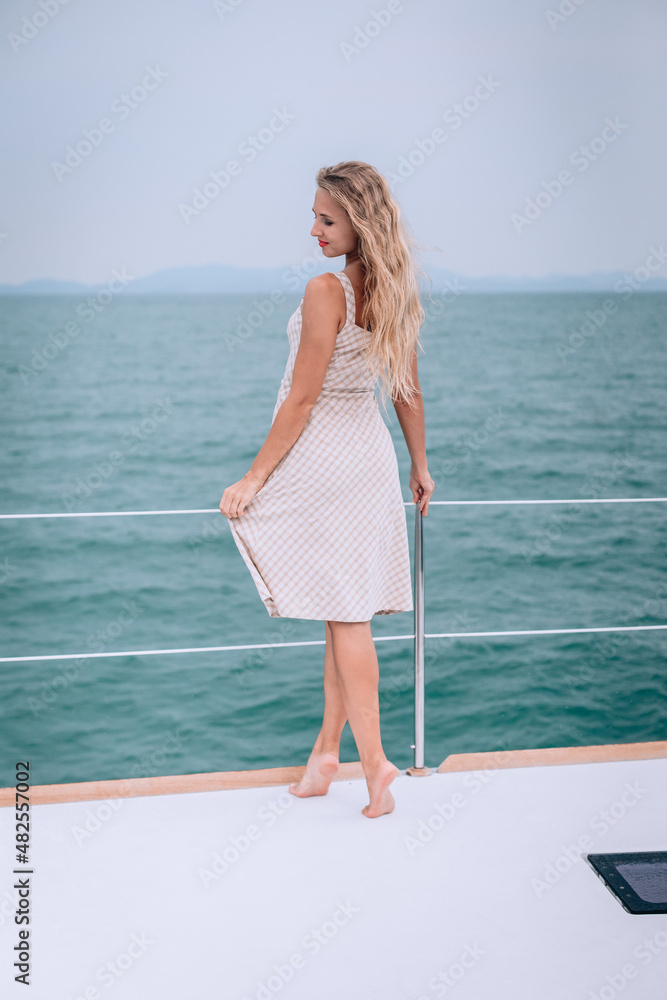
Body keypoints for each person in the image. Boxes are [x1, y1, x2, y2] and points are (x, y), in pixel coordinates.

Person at [220, 161, 435, 818]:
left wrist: (253, 476)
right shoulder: (392, 291)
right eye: (314, 215)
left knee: (345, 618)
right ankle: (323, 757)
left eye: (326, 219)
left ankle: (374, 767)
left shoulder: (325, 290)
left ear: (358, 223)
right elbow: (405, 391)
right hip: (368, 458)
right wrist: (418, 465)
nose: (312, 229)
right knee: (344, 613)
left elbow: (303, 397)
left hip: (326, 461)